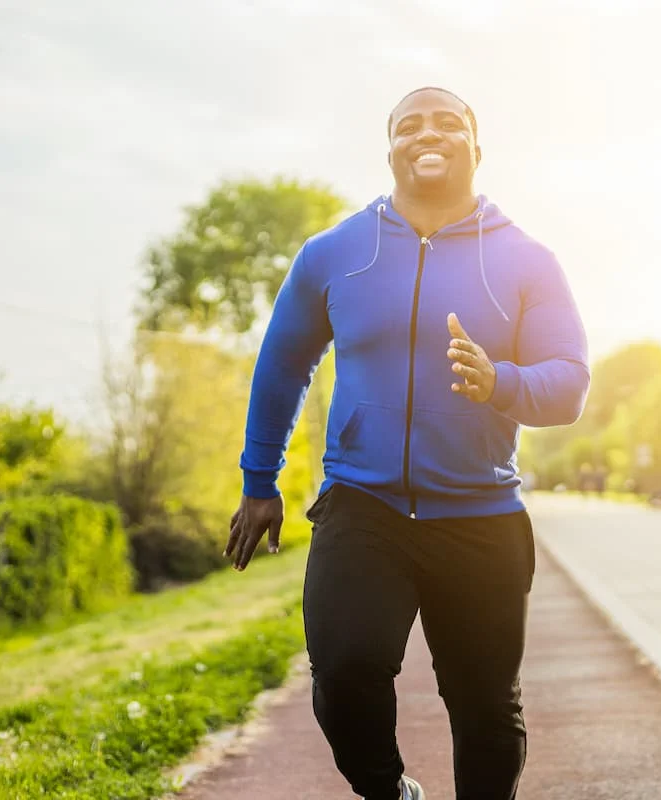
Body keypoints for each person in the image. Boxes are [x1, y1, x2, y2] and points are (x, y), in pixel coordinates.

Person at [226, 87, 590, 800]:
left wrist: (500, 381)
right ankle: (390, 791)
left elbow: (569, 384)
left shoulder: (526, 260)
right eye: (409, 125)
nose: (429, 133)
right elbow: (281, 365)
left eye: (448, 121)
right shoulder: (335, 253)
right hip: (364, 506)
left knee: (485, 707)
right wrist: (258, 480)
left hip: (480, 513)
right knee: (343, 671)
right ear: (389, 148)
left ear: (476, 148)